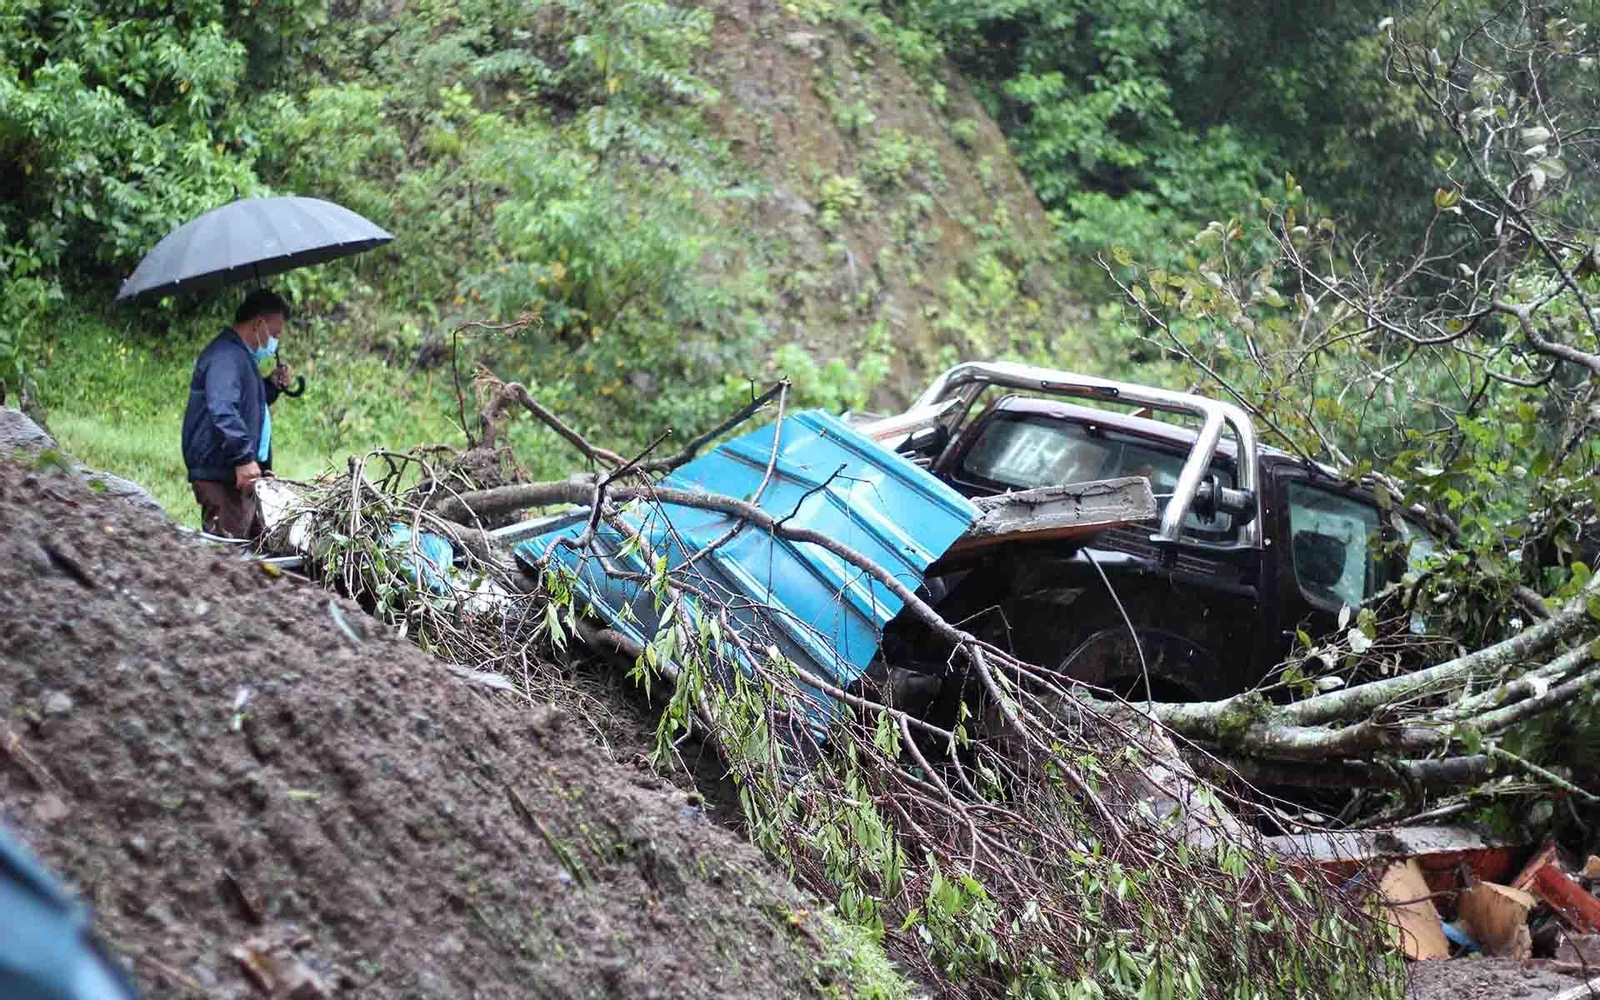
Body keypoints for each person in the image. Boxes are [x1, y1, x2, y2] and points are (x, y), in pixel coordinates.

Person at [181, 289, 294, 540]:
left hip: (234, 471)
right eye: (274, 334)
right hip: (223, 472)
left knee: (251, 549)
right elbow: (223, 408)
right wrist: (243, 458)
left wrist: (271, 385)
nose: (275, 342)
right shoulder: (226, 356)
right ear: (259, 324)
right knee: (228, 560)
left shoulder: (240, 356)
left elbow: (246, 401)